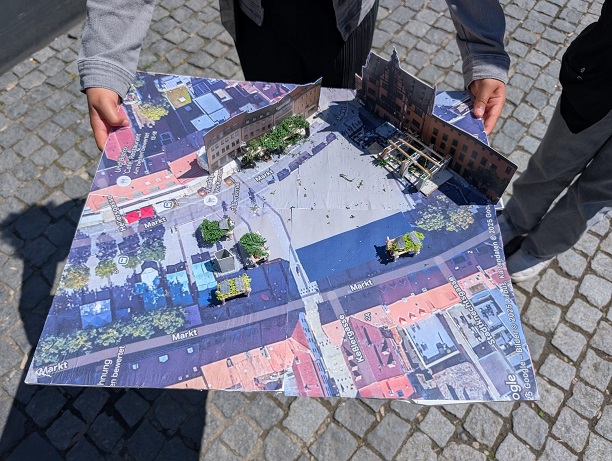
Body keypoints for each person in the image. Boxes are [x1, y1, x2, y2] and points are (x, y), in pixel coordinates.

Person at [78, 0, 509, 150]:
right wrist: (107, 59)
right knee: (276, 120)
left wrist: (484, 51)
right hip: (261, 17)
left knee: (342, 125)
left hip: (343, 19)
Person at [499, 0, 612, 283]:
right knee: (552, 162)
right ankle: (515, 219)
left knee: (599, 194)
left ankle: (541, 248)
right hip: (605, 72)